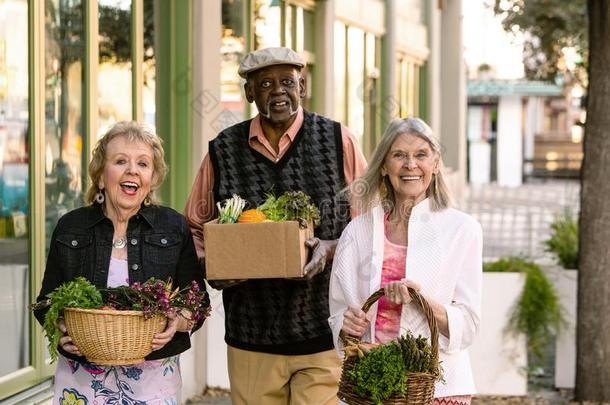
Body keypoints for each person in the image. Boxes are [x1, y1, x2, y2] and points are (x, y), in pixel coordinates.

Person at [185, 46, 366, 405]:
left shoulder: (337, 139)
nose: (278, 90)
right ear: (250, 92)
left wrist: (330, 248)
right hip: (252, 336)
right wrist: (211, 266)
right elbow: (194, 227)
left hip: (322, 332)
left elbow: (367, 223)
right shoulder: (222, 150)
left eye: (287, 81)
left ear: (303, 85)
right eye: (265, 83)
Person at [34, 121, 207, 404]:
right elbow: (46, 302)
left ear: (152, 177)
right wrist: (60, 329)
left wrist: (176, 322)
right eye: (120, 161)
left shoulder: (173, 227)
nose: (132, 171)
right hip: (82, 381)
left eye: (143, 163)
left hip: (152, 383)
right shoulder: (71, 227)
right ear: (101, 176)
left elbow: (198, 302)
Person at [329, 118, 482, 405]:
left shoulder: (462, 230)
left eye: (421, 155)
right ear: (384, 166)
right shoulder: (357, 232)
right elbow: (339, 312)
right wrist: (345, 324)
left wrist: (422, 301)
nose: (410, 165)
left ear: (436, 164)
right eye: (399, 155)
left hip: (438, 388)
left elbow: (469, 323)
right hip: (371, 386)